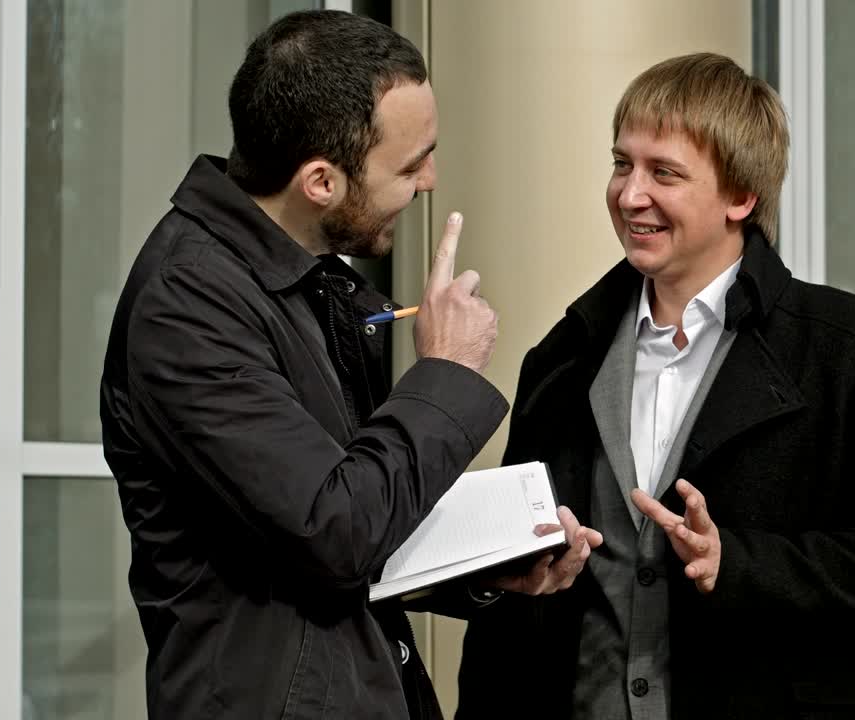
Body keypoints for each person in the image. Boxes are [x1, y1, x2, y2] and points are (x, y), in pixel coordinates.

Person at [455, 52, 855, 720]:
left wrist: (740, 563)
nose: (629, 194)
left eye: (663, 172)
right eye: (621, 163)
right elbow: (506, 624)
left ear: (740, 196)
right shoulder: (560, 357)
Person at [99, 10, 548, 719]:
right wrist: (449, 369)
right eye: (409, 164)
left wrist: (490, 566)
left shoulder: (300, 280)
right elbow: (335, 531)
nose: (429, 180)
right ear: (320, 182)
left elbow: (350, 522)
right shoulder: (188, 304)